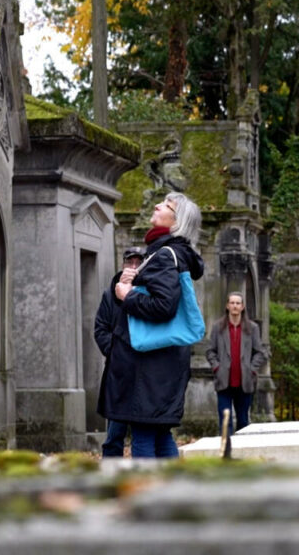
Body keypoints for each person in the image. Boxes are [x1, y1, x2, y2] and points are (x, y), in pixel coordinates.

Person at [103, 192, 205, 458]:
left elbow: (163, 306)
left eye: (167, 205)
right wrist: (134, 281)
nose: (158, 205)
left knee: (144, 435)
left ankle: (147, 493)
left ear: (176, 222)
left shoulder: (163, 256)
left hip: (150, 366)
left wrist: (127, 294)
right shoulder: (172, 254)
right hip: (164, 361)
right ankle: (171, 494)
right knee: (159, 434)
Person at [94, 246, 145, 457]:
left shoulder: (149, 292)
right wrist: (115, 352)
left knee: (144, 434)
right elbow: (100, 328)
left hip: (144, 371)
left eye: (137, 263)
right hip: (119, 372)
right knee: (115, 433)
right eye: (129, 262)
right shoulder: (110, 294)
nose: (133, 267)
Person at [205, 292, 267, 434]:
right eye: (232, 303)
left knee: (243, 421)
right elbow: (210, 351)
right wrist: (216, 368)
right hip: (224, 381)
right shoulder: (217, 327)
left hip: (245, 382)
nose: (235, 306)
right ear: (227, 306)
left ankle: (241, 453)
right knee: (225, 421)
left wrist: (252, 369)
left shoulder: (252, 328)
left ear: (242, 306)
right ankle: (226, 453)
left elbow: (260, 352)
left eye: (238, 303)